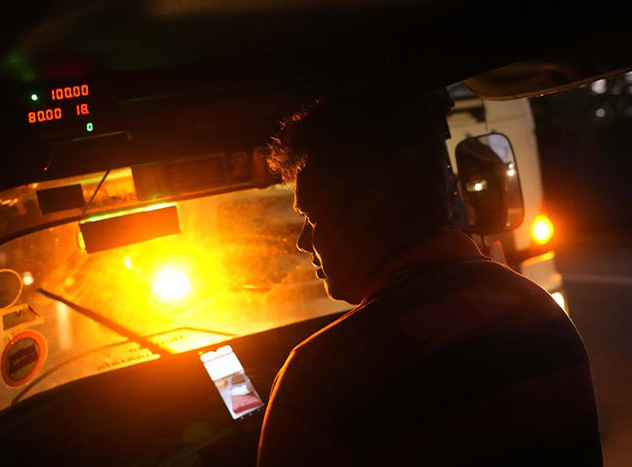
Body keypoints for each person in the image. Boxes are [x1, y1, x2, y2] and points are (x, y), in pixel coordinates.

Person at [256, 89, 602, 466]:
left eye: (312, 218)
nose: (303, 242)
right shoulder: (542, 313)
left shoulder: (322, 378)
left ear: (373, 214)